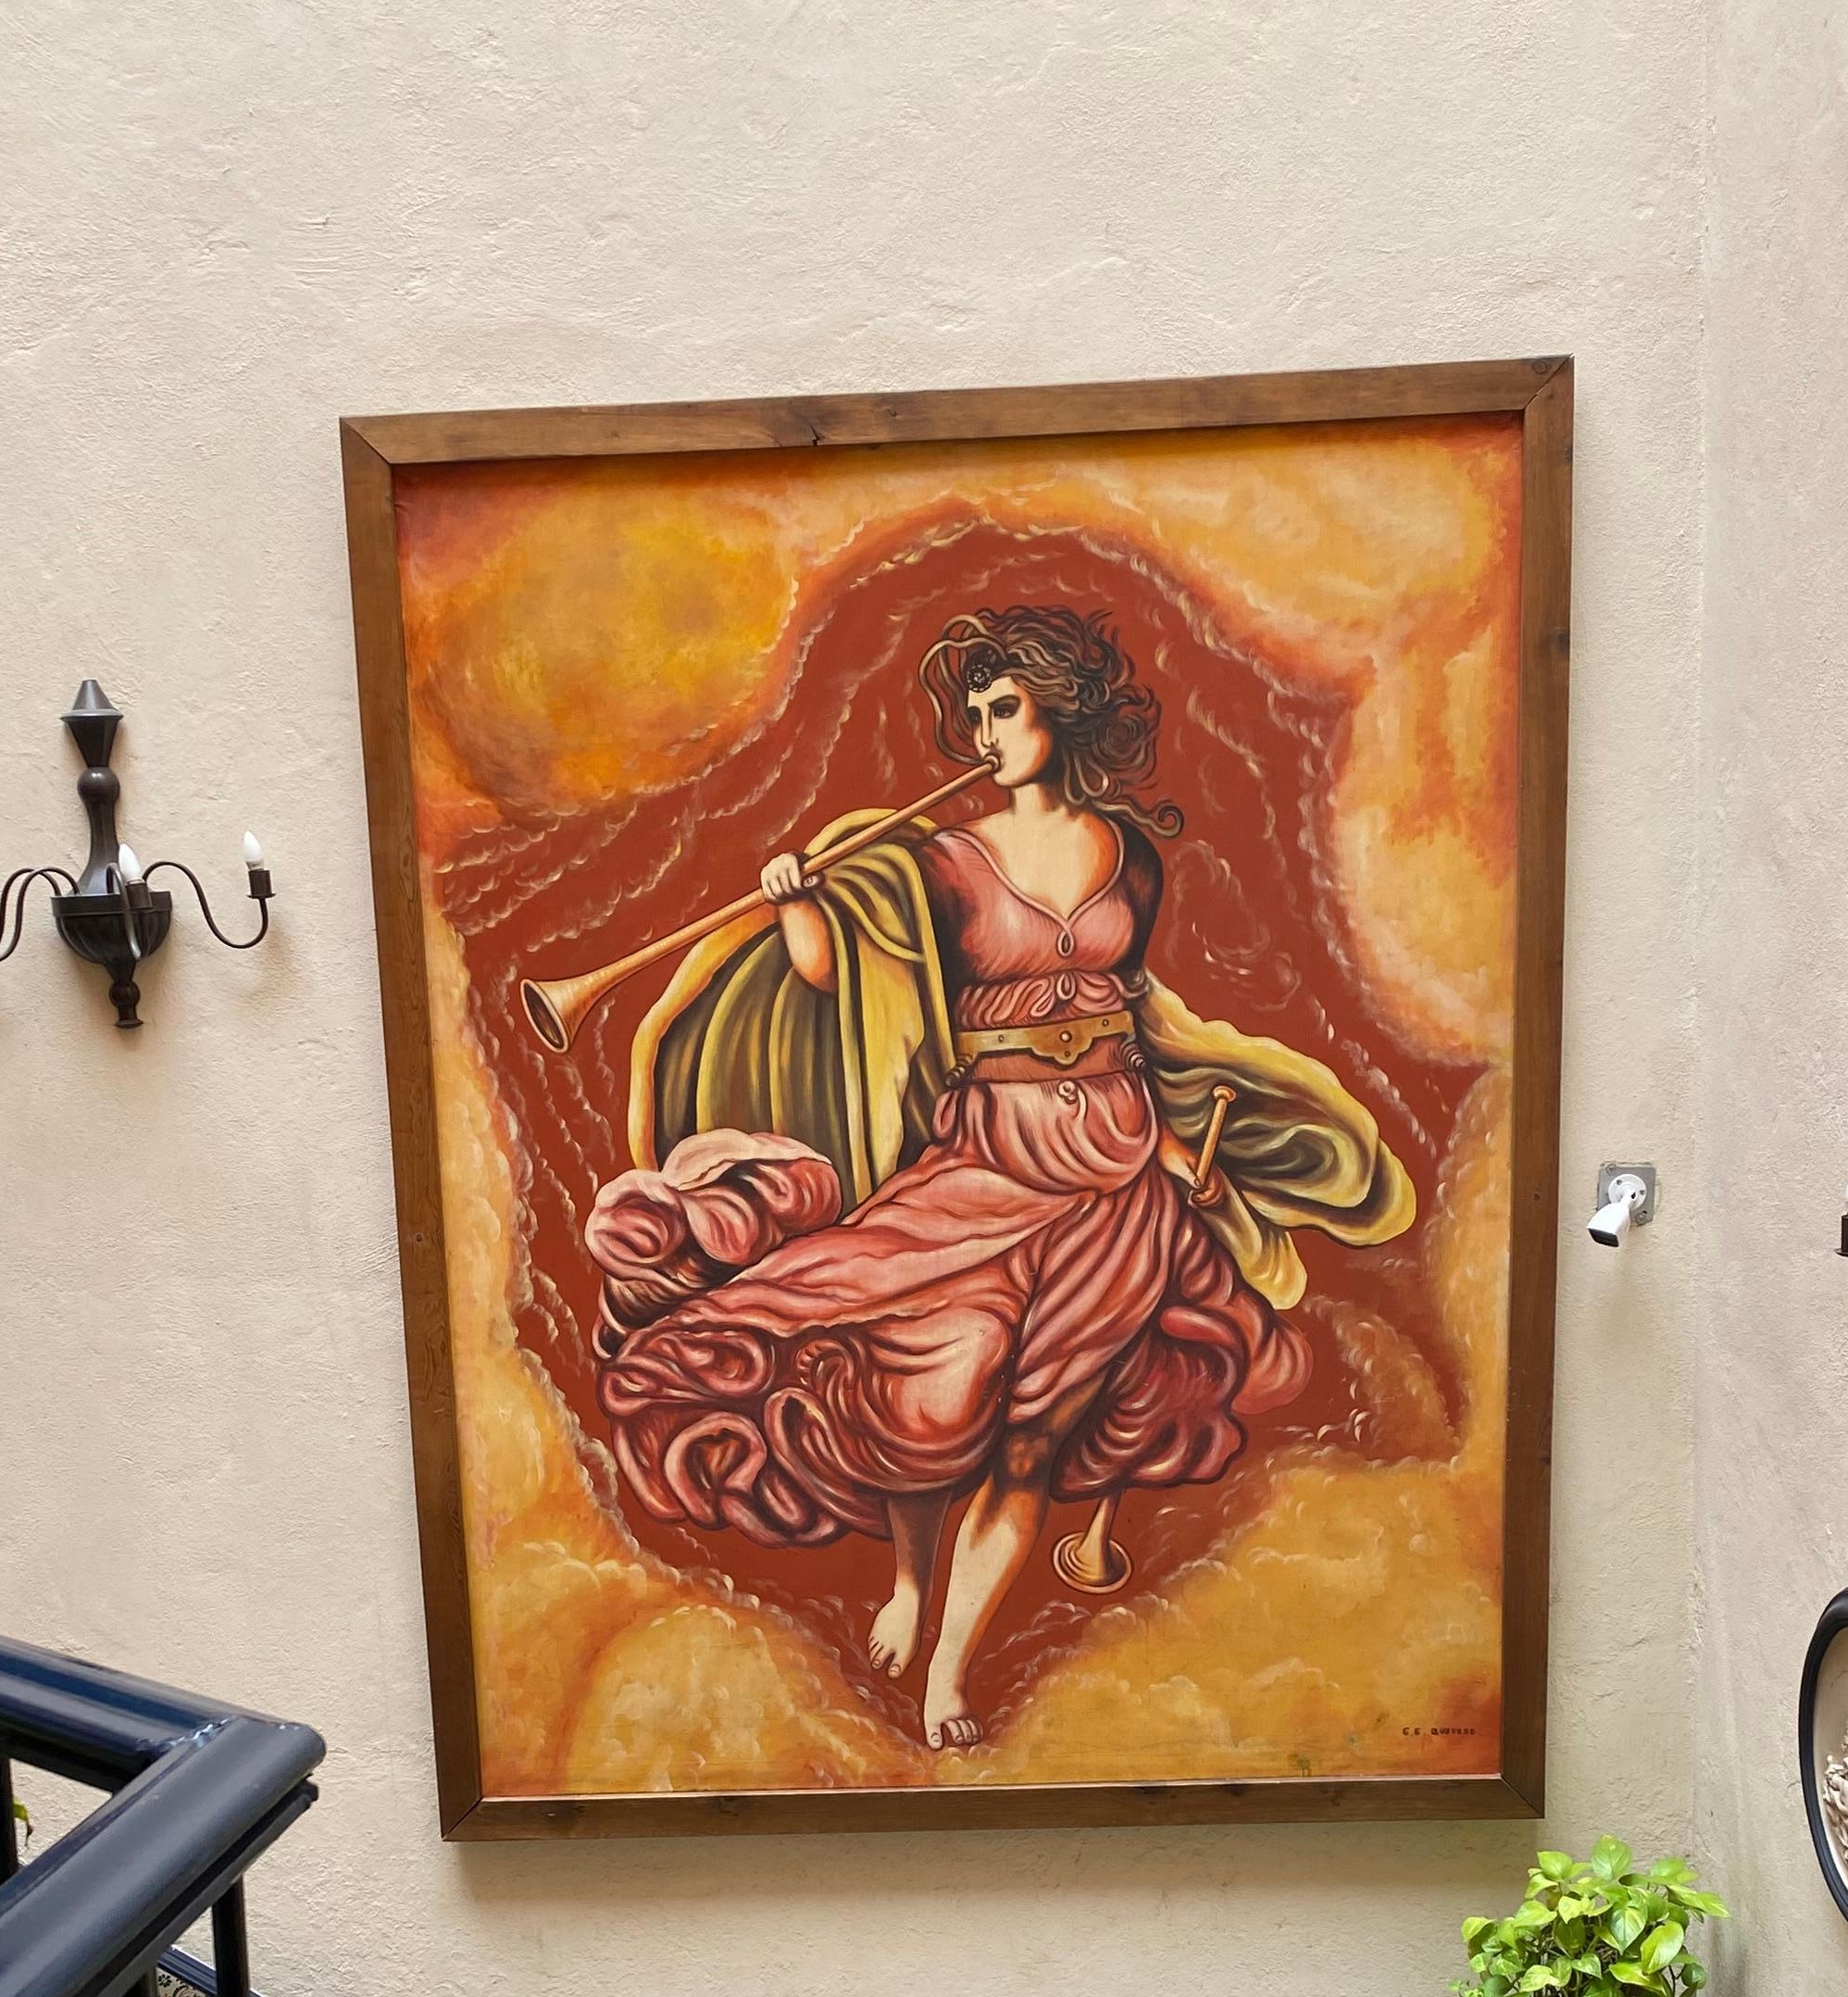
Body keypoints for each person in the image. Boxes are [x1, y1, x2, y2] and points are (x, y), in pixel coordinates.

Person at [585, 604, 1413, 1748]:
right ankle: (910, 1583)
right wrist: (795, 905)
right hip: (987, 1156)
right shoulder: (945, 860)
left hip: (1114, 1175)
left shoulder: (1132, 857)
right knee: (932, 1398)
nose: (984, 732)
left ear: (1059, 713)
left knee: (1028, 1447)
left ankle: (949, 1674)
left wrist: (1174, 1150)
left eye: (1004, 707)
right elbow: (843, 981)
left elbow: (1129, 1021)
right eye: (974, 713)